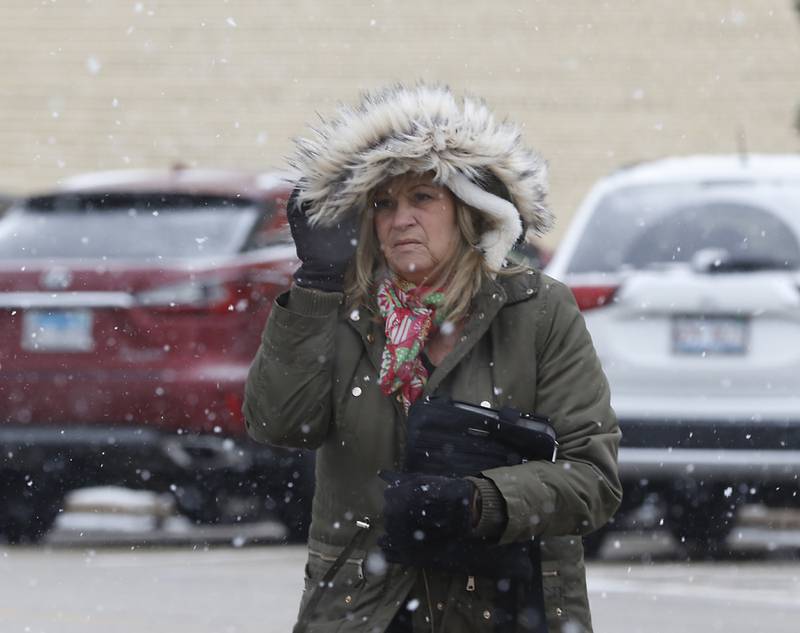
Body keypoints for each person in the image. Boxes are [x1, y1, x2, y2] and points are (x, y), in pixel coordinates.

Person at [243, 83, 621, 633]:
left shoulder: (537, 310)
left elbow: (593, 479)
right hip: (364, 612)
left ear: (470, 209)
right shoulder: (346, 311)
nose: (401, 220)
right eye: (383, 203)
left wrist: (479, 500)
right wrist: (315, 289)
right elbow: (280, 424)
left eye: (423, 197)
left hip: (505, 609)